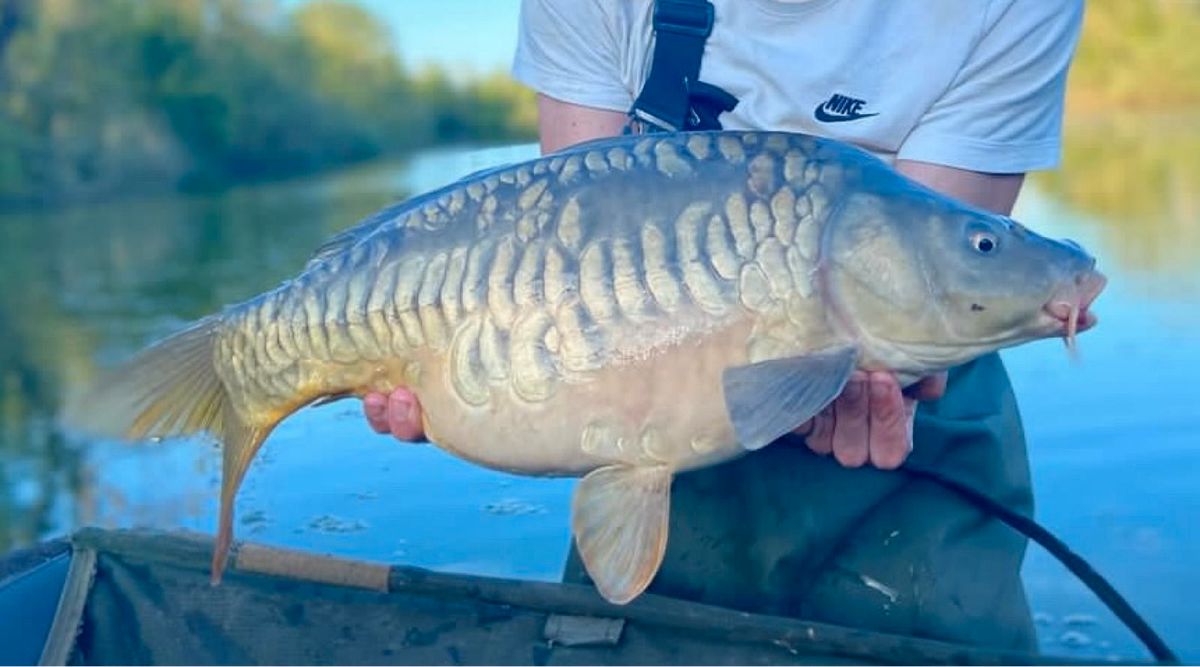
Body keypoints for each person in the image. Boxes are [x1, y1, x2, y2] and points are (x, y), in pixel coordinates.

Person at [363, 0, 1084, 651]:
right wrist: (483, 380)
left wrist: (879, 364)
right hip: (632, 367)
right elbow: (573, 239)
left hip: (902, 427)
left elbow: (931, 289)